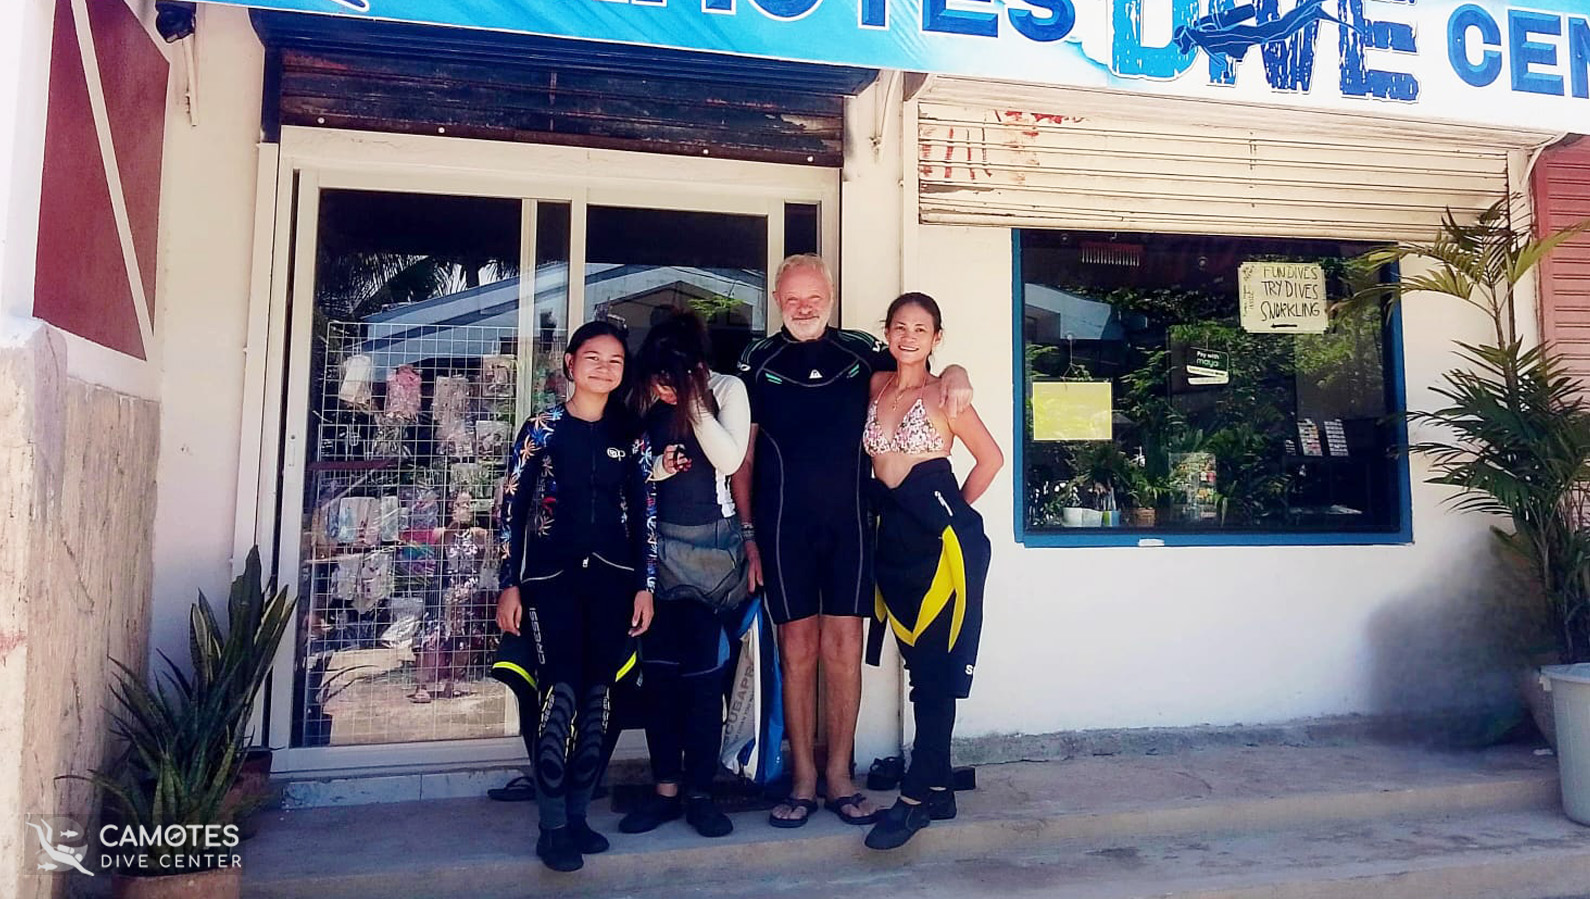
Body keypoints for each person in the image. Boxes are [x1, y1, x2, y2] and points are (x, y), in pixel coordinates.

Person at [734, 255, 972, 827]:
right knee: (797, 651)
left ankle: (840, 777)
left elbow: (917, 367)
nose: (804, 308)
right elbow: (743, 458)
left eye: (814, 297)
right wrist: (748, 536)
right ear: (776, 299)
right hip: (783, 527)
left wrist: (957, 369)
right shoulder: (756, 360)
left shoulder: (863, 352)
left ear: (832, 296)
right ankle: (803, 779)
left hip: (852, 527)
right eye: (793, 299)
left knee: (843, 650)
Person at [495, 320, 657, 873]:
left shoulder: (631, 434)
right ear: (570, 363)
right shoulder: (542, 428)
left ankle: (579, 814)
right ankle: (552, 826)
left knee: (599, 703)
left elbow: (646, 513)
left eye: (615, 361)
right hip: (549, 583)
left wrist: (646, 586)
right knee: (557, 697)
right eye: (593, 358)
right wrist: (509, 583)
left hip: (614, 584)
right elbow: (510, 509)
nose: (604, 369)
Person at [861, 292, 1001, 850]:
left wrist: (953, 515)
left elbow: (991, 458)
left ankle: (915, 799)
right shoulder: (876, 385)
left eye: (921, 328)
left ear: (936, 337)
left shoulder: (947, 393)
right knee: (921, 667)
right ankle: (941, 789)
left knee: (936, 672)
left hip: (942, 546)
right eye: (900, 327)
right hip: (892, 539)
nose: (909, 336)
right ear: (887, 333)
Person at [617, 311, 752, 839]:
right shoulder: (641, 396)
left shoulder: (726, 389)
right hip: (656, 549)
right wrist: (658, 465)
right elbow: (626, 468)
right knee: (660, 675)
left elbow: (730, 458)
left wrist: (694, 402)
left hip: (714, 551)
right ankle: (665, 791)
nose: (665, 380)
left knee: (703, 677)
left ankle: (701, 792)